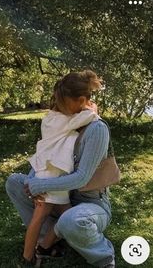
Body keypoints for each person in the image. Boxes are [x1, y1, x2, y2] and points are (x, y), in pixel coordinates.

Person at [6, 70, 115, 268]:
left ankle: (104, 257)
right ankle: (49, 239)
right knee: (14, 182)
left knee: (71, 220)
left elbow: (81, 178)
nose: (59, 106)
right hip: (59, 196)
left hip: (89, 205)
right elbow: (46, 153)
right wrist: (34, 182)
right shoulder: (64, 121)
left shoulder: (97, 129)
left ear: (81, 100)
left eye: (63, 101)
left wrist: (41, 185)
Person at [23, 81, 99, 262]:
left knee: (66, 217)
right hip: (51, 177)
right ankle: (28, 256)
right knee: (41, 217)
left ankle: (44, 247)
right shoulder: (62, 121)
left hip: (50, 174)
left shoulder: (50, 117)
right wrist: (93, 109)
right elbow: (87, 118)